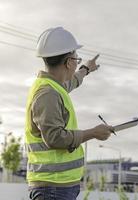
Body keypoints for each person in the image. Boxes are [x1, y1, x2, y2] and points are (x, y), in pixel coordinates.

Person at [25, 27, 113, 200]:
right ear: (68, 62)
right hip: (52, 188)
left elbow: (70, 83)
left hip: (58, 187)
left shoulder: (53, 86)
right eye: (76, 58)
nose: (76, 62)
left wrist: (86, 69)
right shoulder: (47, 93)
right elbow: (55, 138)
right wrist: (94, 133)